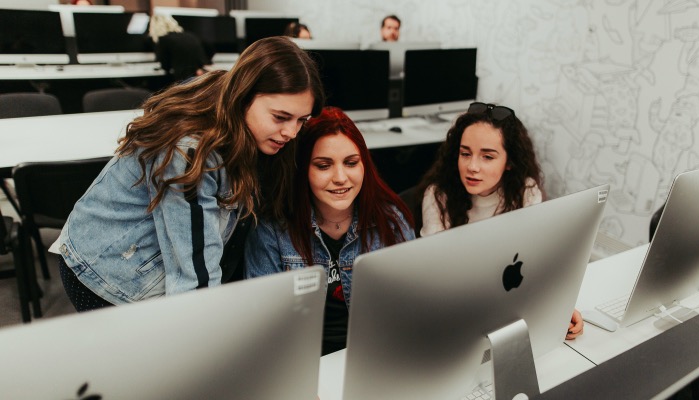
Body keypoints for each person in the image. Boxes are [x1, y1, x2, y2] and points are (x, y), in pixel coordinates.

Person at [54, 37, 325, 312]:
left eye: (301, 120)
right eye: (280, 117)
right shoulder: (191, 152)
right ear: (244, 95)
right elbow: (193, 276)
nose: (291, 133)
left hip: (149, 254)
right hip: (108, 271)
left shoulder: (233, 103)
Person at [245, 106, 415, 355]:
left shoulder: (390, 220)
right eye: (323, 166)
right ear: (302, 170)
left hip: (377, 354)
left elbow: (410, 306)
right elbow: (263, 326)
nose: (340, 177)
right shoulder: (272, 230)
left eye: (351, 163)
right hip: (302, 361)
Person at [416, 101, 584, 340]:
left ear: (510, 162)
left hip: (507, 309)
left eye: (487, 156)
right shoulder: (438, 195)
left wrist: (558, 307)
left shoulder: (526, 192)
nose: (472, 167)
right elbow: (433, 274)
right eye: (465, 154)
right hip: (454, 313)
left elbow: (533, 262)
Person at [148, 14, 211, 82]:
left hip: (182, 78)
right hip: (198, 76)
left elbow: (165, 65)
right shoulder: (190, 35)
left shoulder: (164, 39)